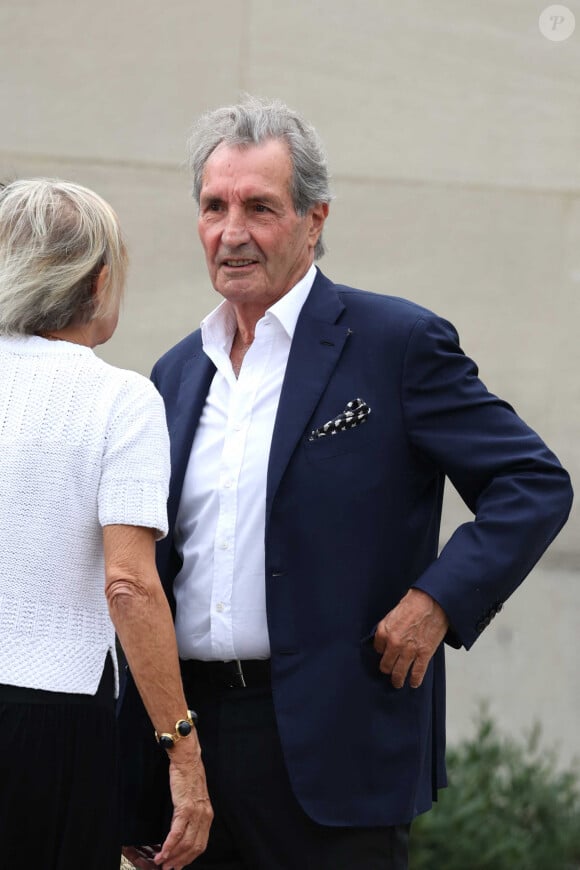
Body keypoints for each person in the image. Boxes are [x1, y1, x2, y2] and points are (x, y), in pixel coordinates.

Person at [118, 97, 573, 870]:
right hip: (192, 754)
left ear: (313, 219)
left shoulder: (396, 345)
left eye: (260, 207)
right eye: (214, 206)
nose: (232, 232)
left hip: (338, 748)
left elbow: (532, 482)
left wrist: (438, 600)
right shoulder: (174, 374)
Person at [0, 178, 212, 870]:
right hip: (51, 719)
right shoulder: (120, 399)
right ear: (97, 282)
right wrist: (182, 752)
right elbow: (129, 585)